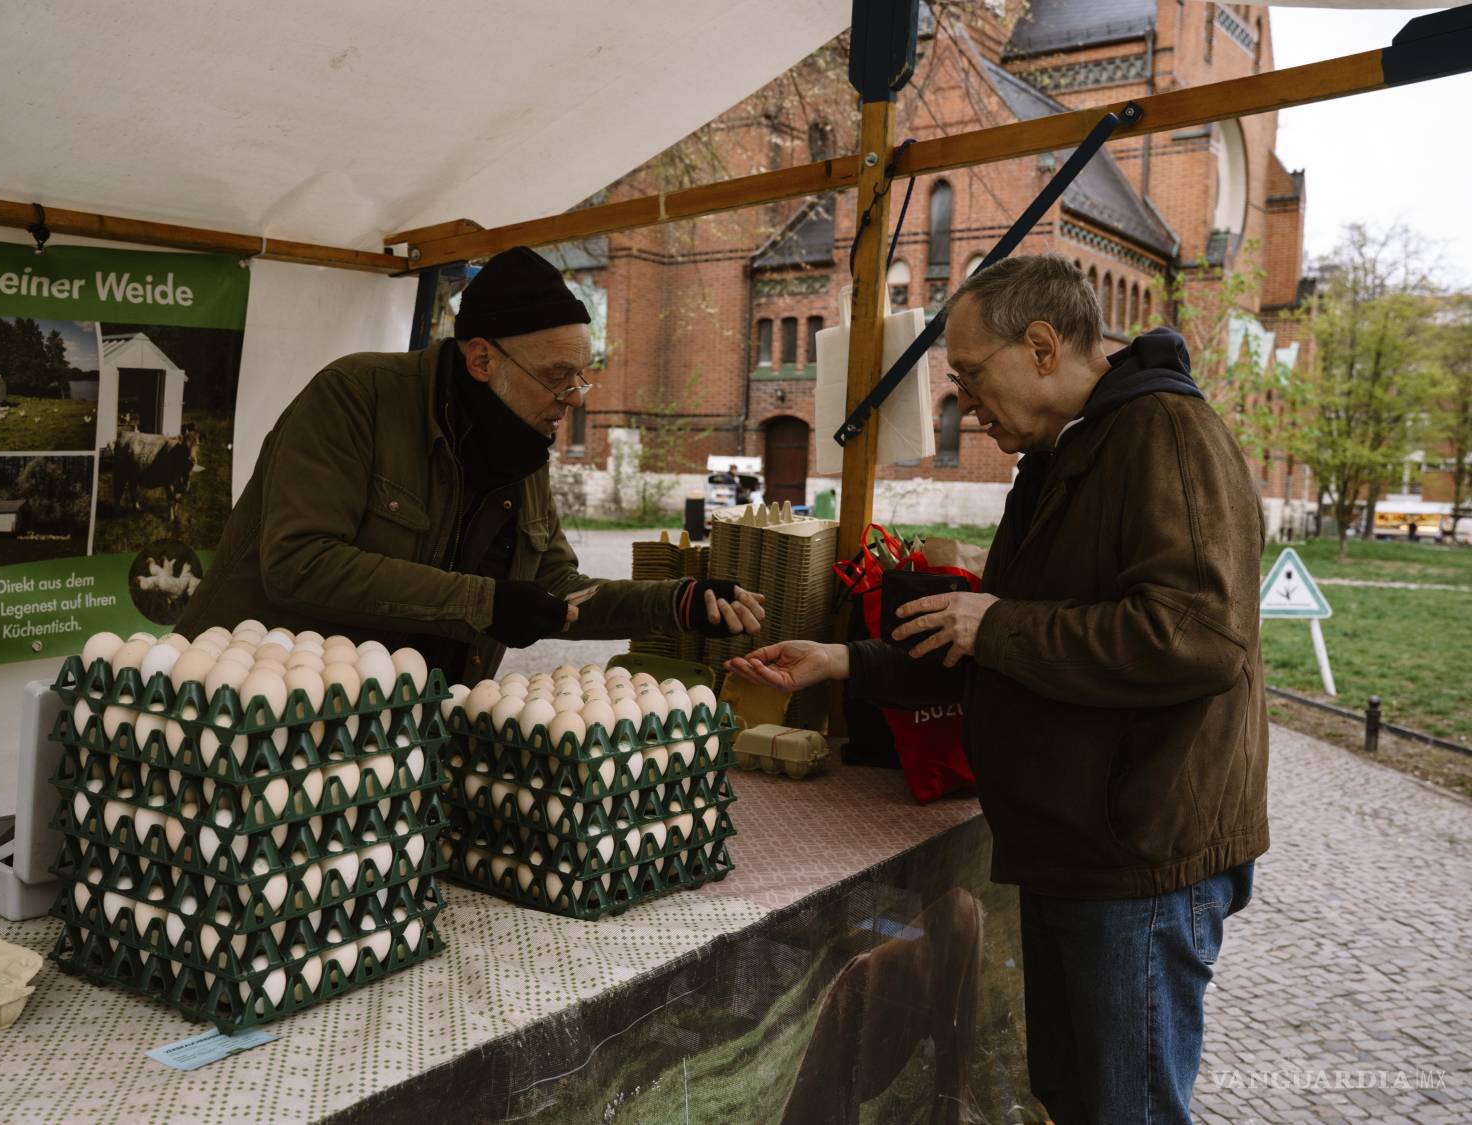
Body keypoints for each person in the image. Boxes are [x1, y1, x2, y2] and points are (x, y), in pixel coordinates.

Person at [727, 255, 1267, 1125]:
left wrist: (998, 624)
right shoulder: (1060, 457)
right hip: (1073, 847)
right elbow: (985, 641)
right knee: (1073, 1099)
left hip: (1139, 859)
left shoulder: (1167, 434)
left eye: (974, 375)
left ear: (1043, 346)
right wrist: (842, 661)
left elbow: (1199, 638)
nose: (967, 403)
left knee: (1125, 1109)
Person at [179, 246, 766, 680]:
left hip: (404, 724)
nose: (573, 398)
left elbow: (555, 590)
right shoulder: (356, 396)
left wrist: (675, 603)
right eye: (557, 377)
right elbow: (300, 562)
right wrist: (484, 603)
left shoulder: (520, 444)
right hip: (255, 699)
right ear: (483, 360)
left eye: (580, 377)